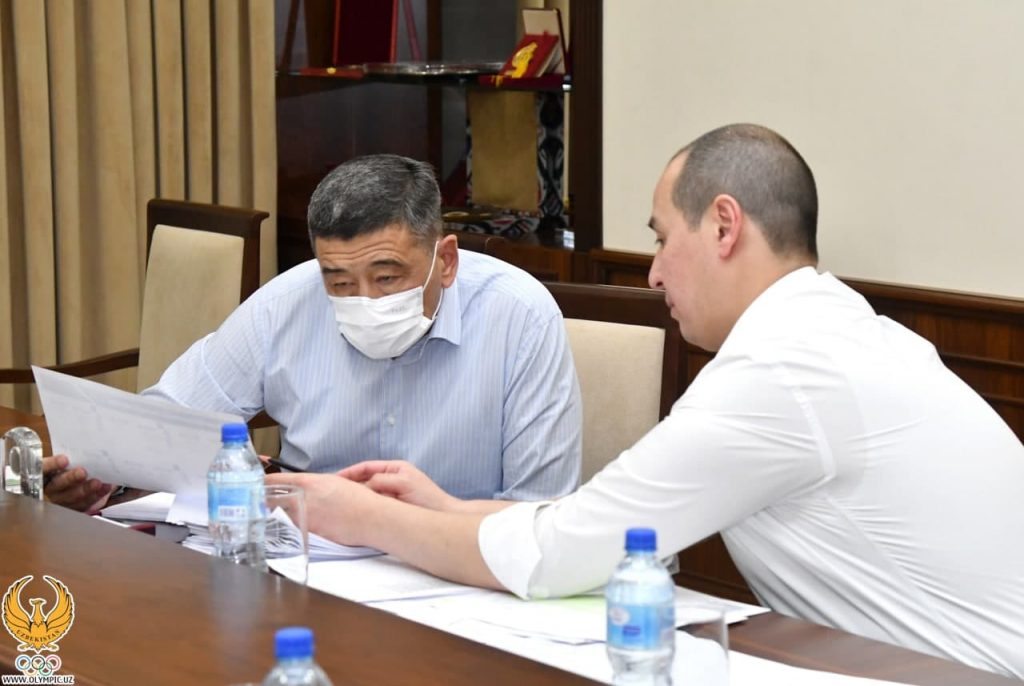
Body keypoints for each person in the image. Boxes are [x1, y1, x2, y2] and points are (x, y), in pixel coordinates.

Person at [267, 124, 1024, 678]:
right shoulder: (834, 331)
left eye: (662, 239)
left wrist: (360, 516)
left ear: (724, 226)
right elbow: (606, 522)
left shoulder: (782, 372)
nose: (654, 273)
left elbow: (563, 554)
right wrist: (449, 510)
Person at [44, 154, 582, 512]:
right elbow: (167, 418)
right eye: (340, 281)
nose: (365, 300)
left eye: (387, 277)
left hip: (460, 571)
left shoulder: (520, 317)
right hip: (307, 557)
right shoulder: (288, 302)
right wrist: (102, 476)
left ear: (445, 261)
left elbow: (540, 512)